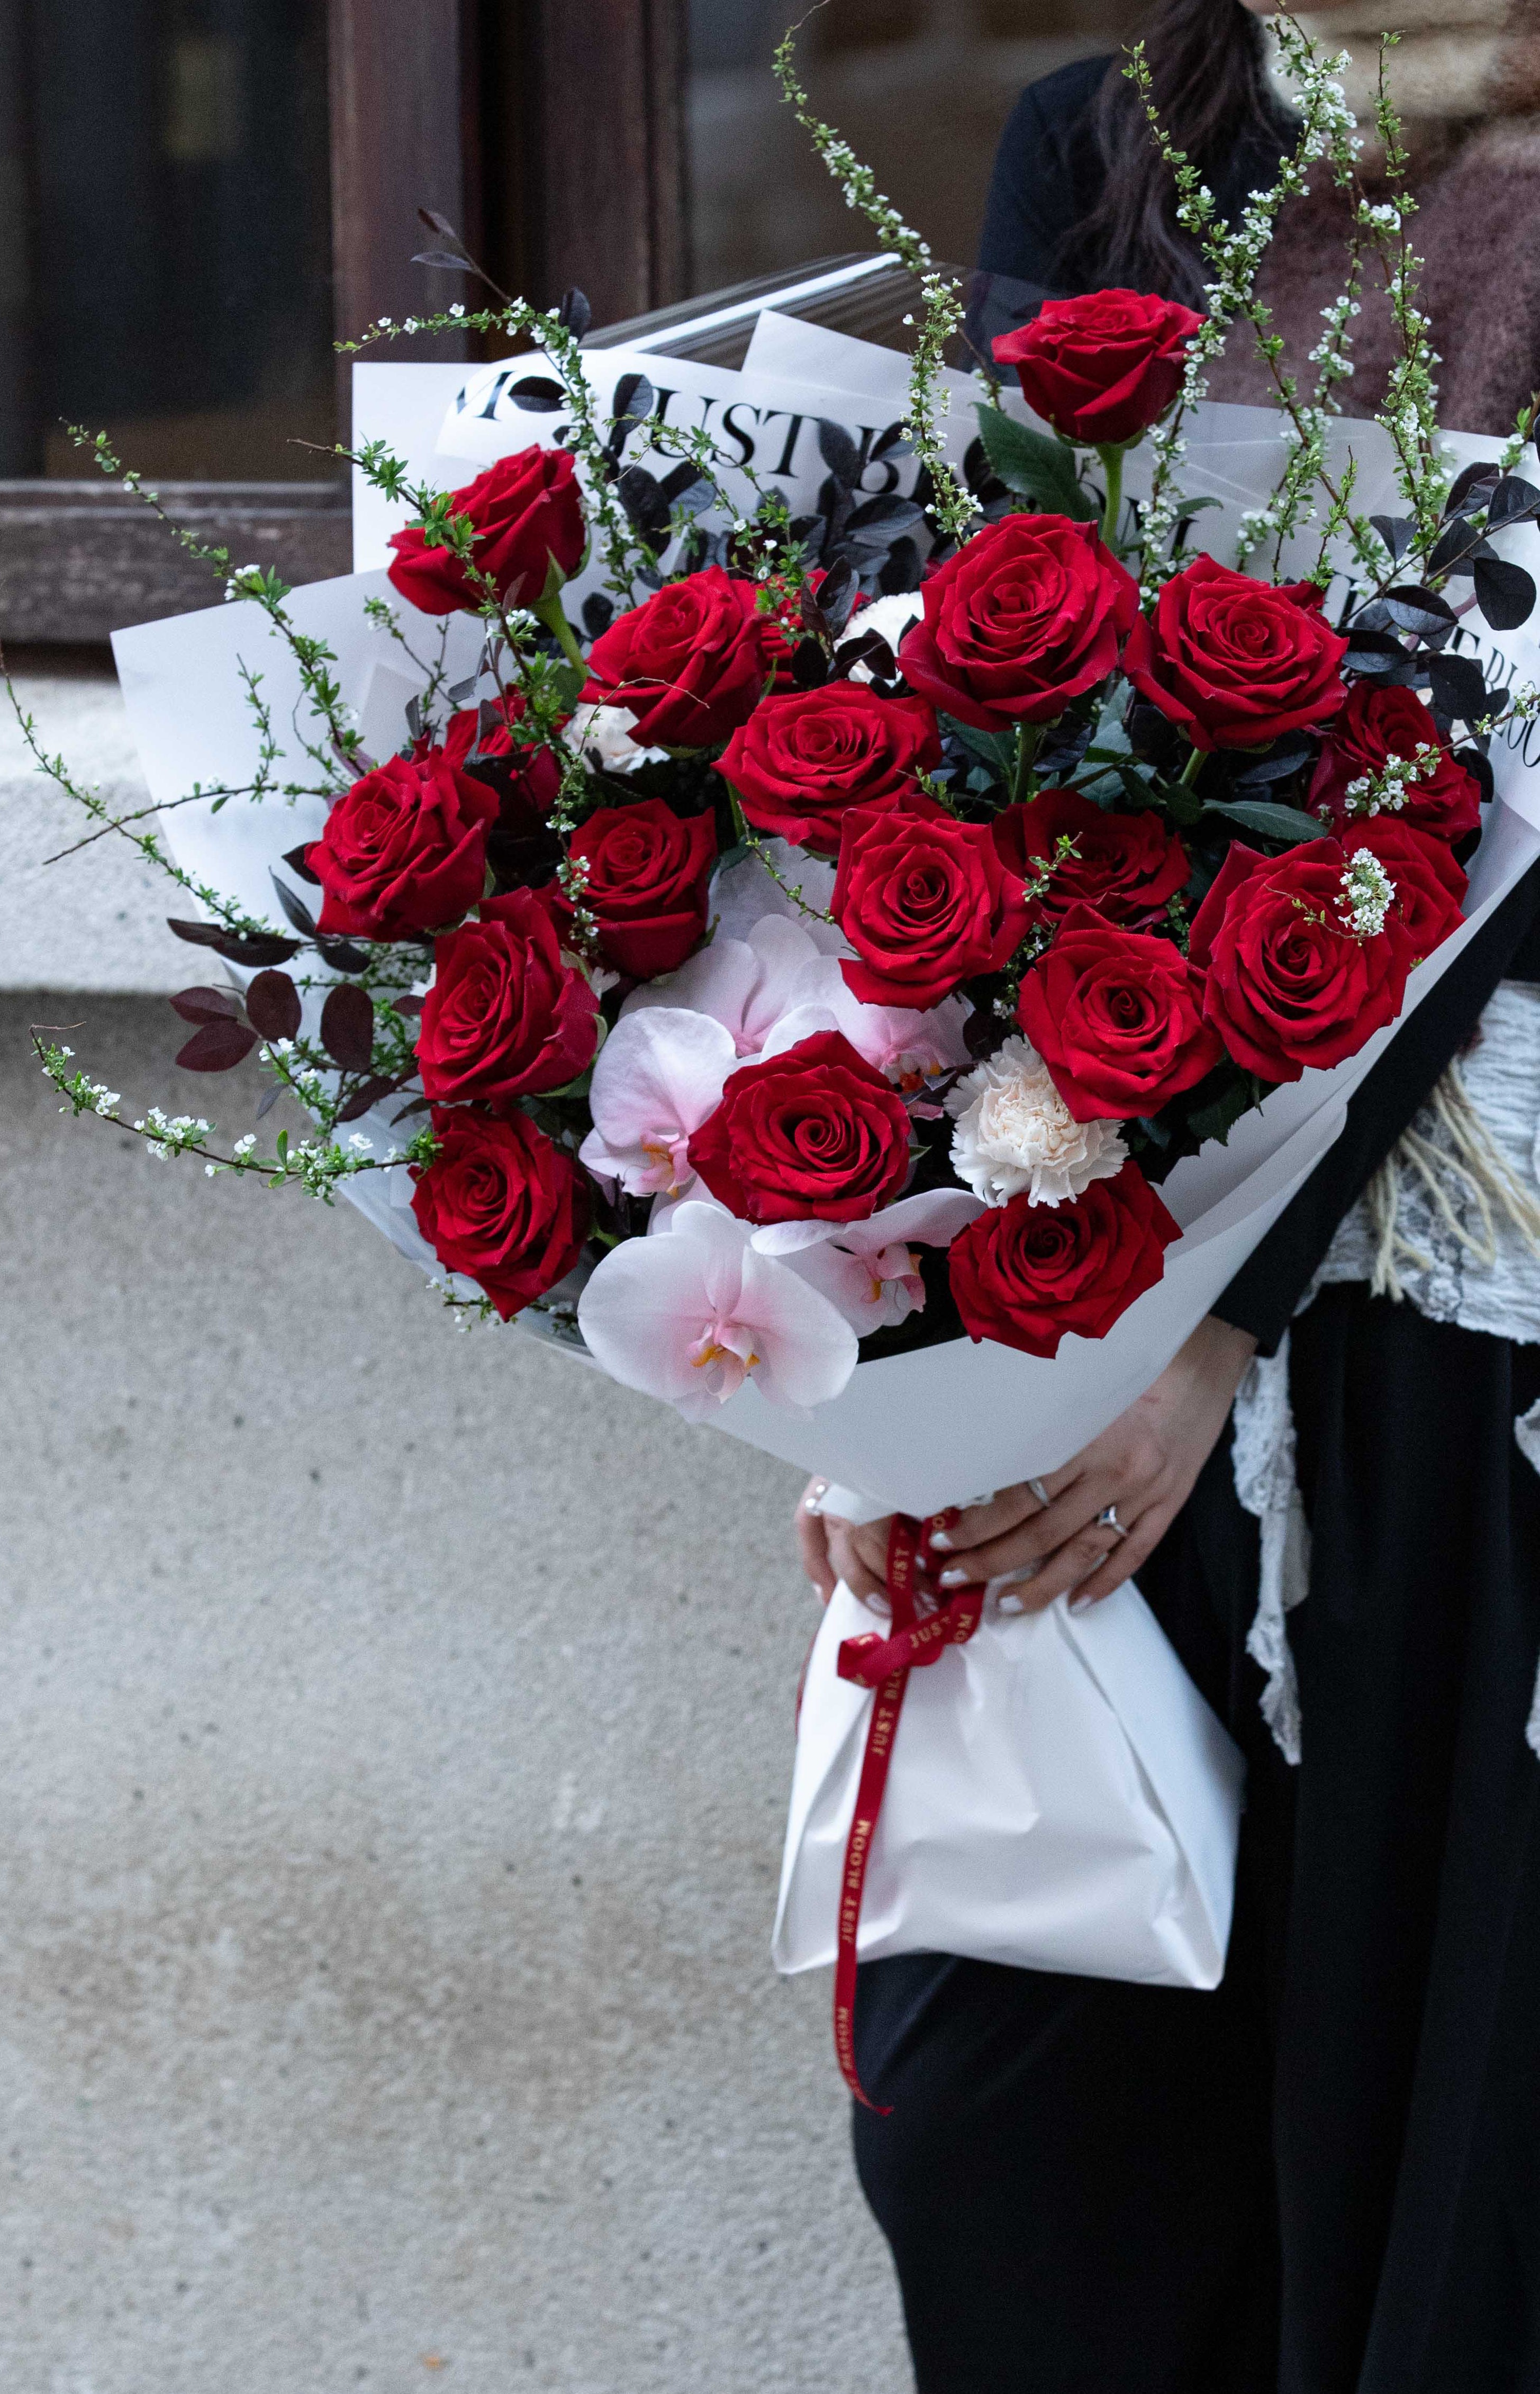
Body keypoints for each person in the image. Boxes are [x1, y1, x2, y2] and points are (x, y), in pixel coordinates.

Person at [794, 7, 1540, 2387]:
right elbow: (991, 717)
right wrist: (882, 1338)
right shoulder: (1108, 138)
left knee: (1430, 2123)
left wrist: (1220, 1309)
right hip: (1104, 1225)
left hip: (1454, 1313)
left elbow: (1511, 800)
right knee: (1017, 2128)